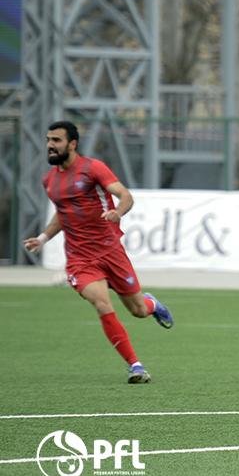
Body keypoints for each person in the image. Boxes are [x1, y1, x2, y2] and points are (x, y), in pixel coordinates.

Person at [23, 121, 174, 384]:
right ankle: (135, 365)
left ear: (72, 144)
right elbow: (63, 213)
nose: (50, 145)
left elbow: (124, 195)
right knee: (102, 303)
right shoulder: (49, 181)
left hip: (110, 251)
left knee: (138, 310)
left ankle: (152, 304)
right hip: (80, 259)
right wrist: (44, 237)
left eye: (56, 140)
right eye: (48, 139)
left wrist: (118, 212)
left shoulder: (93, 168)